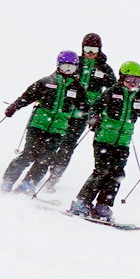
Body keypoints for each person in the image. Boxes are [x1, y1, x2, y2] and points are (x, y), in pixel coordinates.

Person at [70, 61, 140, 222]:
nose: (133, 84)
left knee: (116, 174)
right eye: (129, 80)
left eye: (137, 81)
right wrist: (93, 119)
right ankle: (82, 202)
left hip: (122, 142)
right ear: (122, 77)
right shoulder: (111, 93)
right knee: (101, 171)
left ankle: (102, 205)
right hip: (104, 139)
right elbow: (95, 108)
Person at [0, 51, 89, 193]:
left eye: (71, 68)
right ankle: (8, 180)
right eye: (65, 66)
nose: (68, 70)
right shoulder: (46, 82)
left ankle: (28, 184)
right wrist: (14, 106)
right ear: (58, 66)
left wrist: (92, 118)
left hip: (58, 130)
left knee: (45, 159)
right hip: (38, 125)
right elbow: (27, 96)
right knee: (28, 154)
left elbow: (84, 108)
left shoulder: (77, 88)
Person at [45, 32, 117, 193]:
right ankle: (41, 168)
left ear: (100, 49)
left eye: (94, 49)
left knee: (68, 144)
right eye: (87, 48)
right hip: (64, 109)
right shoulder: (74, 62)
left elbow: (113, 92)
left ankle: (53, 178)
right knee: (53, 140)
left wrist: (104, 112)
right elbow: (56, 78)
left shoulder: (104, 68)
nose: (90, 53)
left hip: (84, 112)